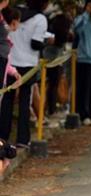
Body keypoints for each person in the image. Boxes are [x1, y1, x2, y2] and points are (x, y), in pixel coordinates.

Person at [0, 0, 50, 149]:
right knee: (24, 101)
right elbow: (36, 43)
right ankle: (23, 138)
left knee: (7, 101)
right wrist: (46, 42)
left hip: (10, 62)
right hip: (28, 64)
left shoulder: (13, 13)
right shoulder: (40, 19)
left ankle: (3, 137)